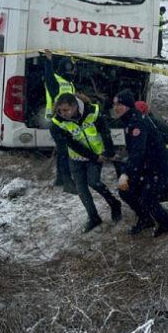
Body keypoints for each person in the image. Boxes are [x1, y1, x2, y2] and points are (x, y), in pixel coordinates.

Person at [50, 94, 122, 233]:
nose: (62, 114)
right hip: (77, 158)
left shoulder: (92, 112)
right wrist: (94, 157)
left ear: (76, 107)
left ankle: (114, 203)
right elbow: (72, 144)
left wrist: (109, 152)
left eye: (66, 110)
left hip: (97, 155)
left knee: (94, 181)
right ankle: (93, 217)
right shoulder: (57, 123)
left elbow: (105, 132)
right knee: (82, 190)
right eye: (60, 110)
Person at [114, 90, 168, 237]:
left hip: (156, 167)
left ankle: (167, 225)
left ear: (128, 105)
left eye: (119, 104)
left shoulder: (138, 123)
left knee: (148, 199)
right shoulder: (130, 119)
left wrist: (126, 173)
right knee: (126, 192)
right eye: (114, 104)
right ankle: (145, 219)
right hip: (145, 165)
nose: (116, 107)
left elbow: (138, 151)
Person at [42, 50, 78, 194]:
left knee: (63, 152)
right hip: (56, 122)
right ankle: (67, 183)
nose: (72, 71)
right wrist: (48, 61)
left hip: (65, 122)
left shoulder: (69, 83)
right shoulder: (55, 80)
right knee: (65, 152)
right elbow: (49, 76)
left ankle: (60, 179)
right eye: (70, 68)